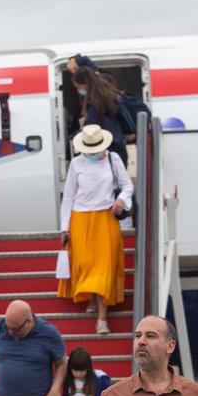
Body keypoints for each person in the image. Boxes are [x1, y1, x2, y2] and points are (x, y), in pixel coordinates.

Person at [59, 124, 132, 335]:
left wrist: (121, 200)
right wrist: (64, 228)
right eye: (88, 149)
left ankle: (102, 318)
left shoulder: (113, 159)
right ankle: (91, 297)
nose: (92, 153)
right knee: (85, 264)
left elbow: (127, 185)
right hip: (80, 218)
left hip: (105, 217)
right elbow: (69, 196)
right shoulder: (76, 163)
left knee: (103, 268)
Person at [71, 68, 134, 166]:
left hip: (106, 154)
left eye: (78, 86)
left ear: (86, 84)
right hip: (118, 151)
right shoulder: (109, 97)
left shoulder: (95, 106)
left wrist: (75, 136)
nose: (77, 90)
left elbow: (91, 129)